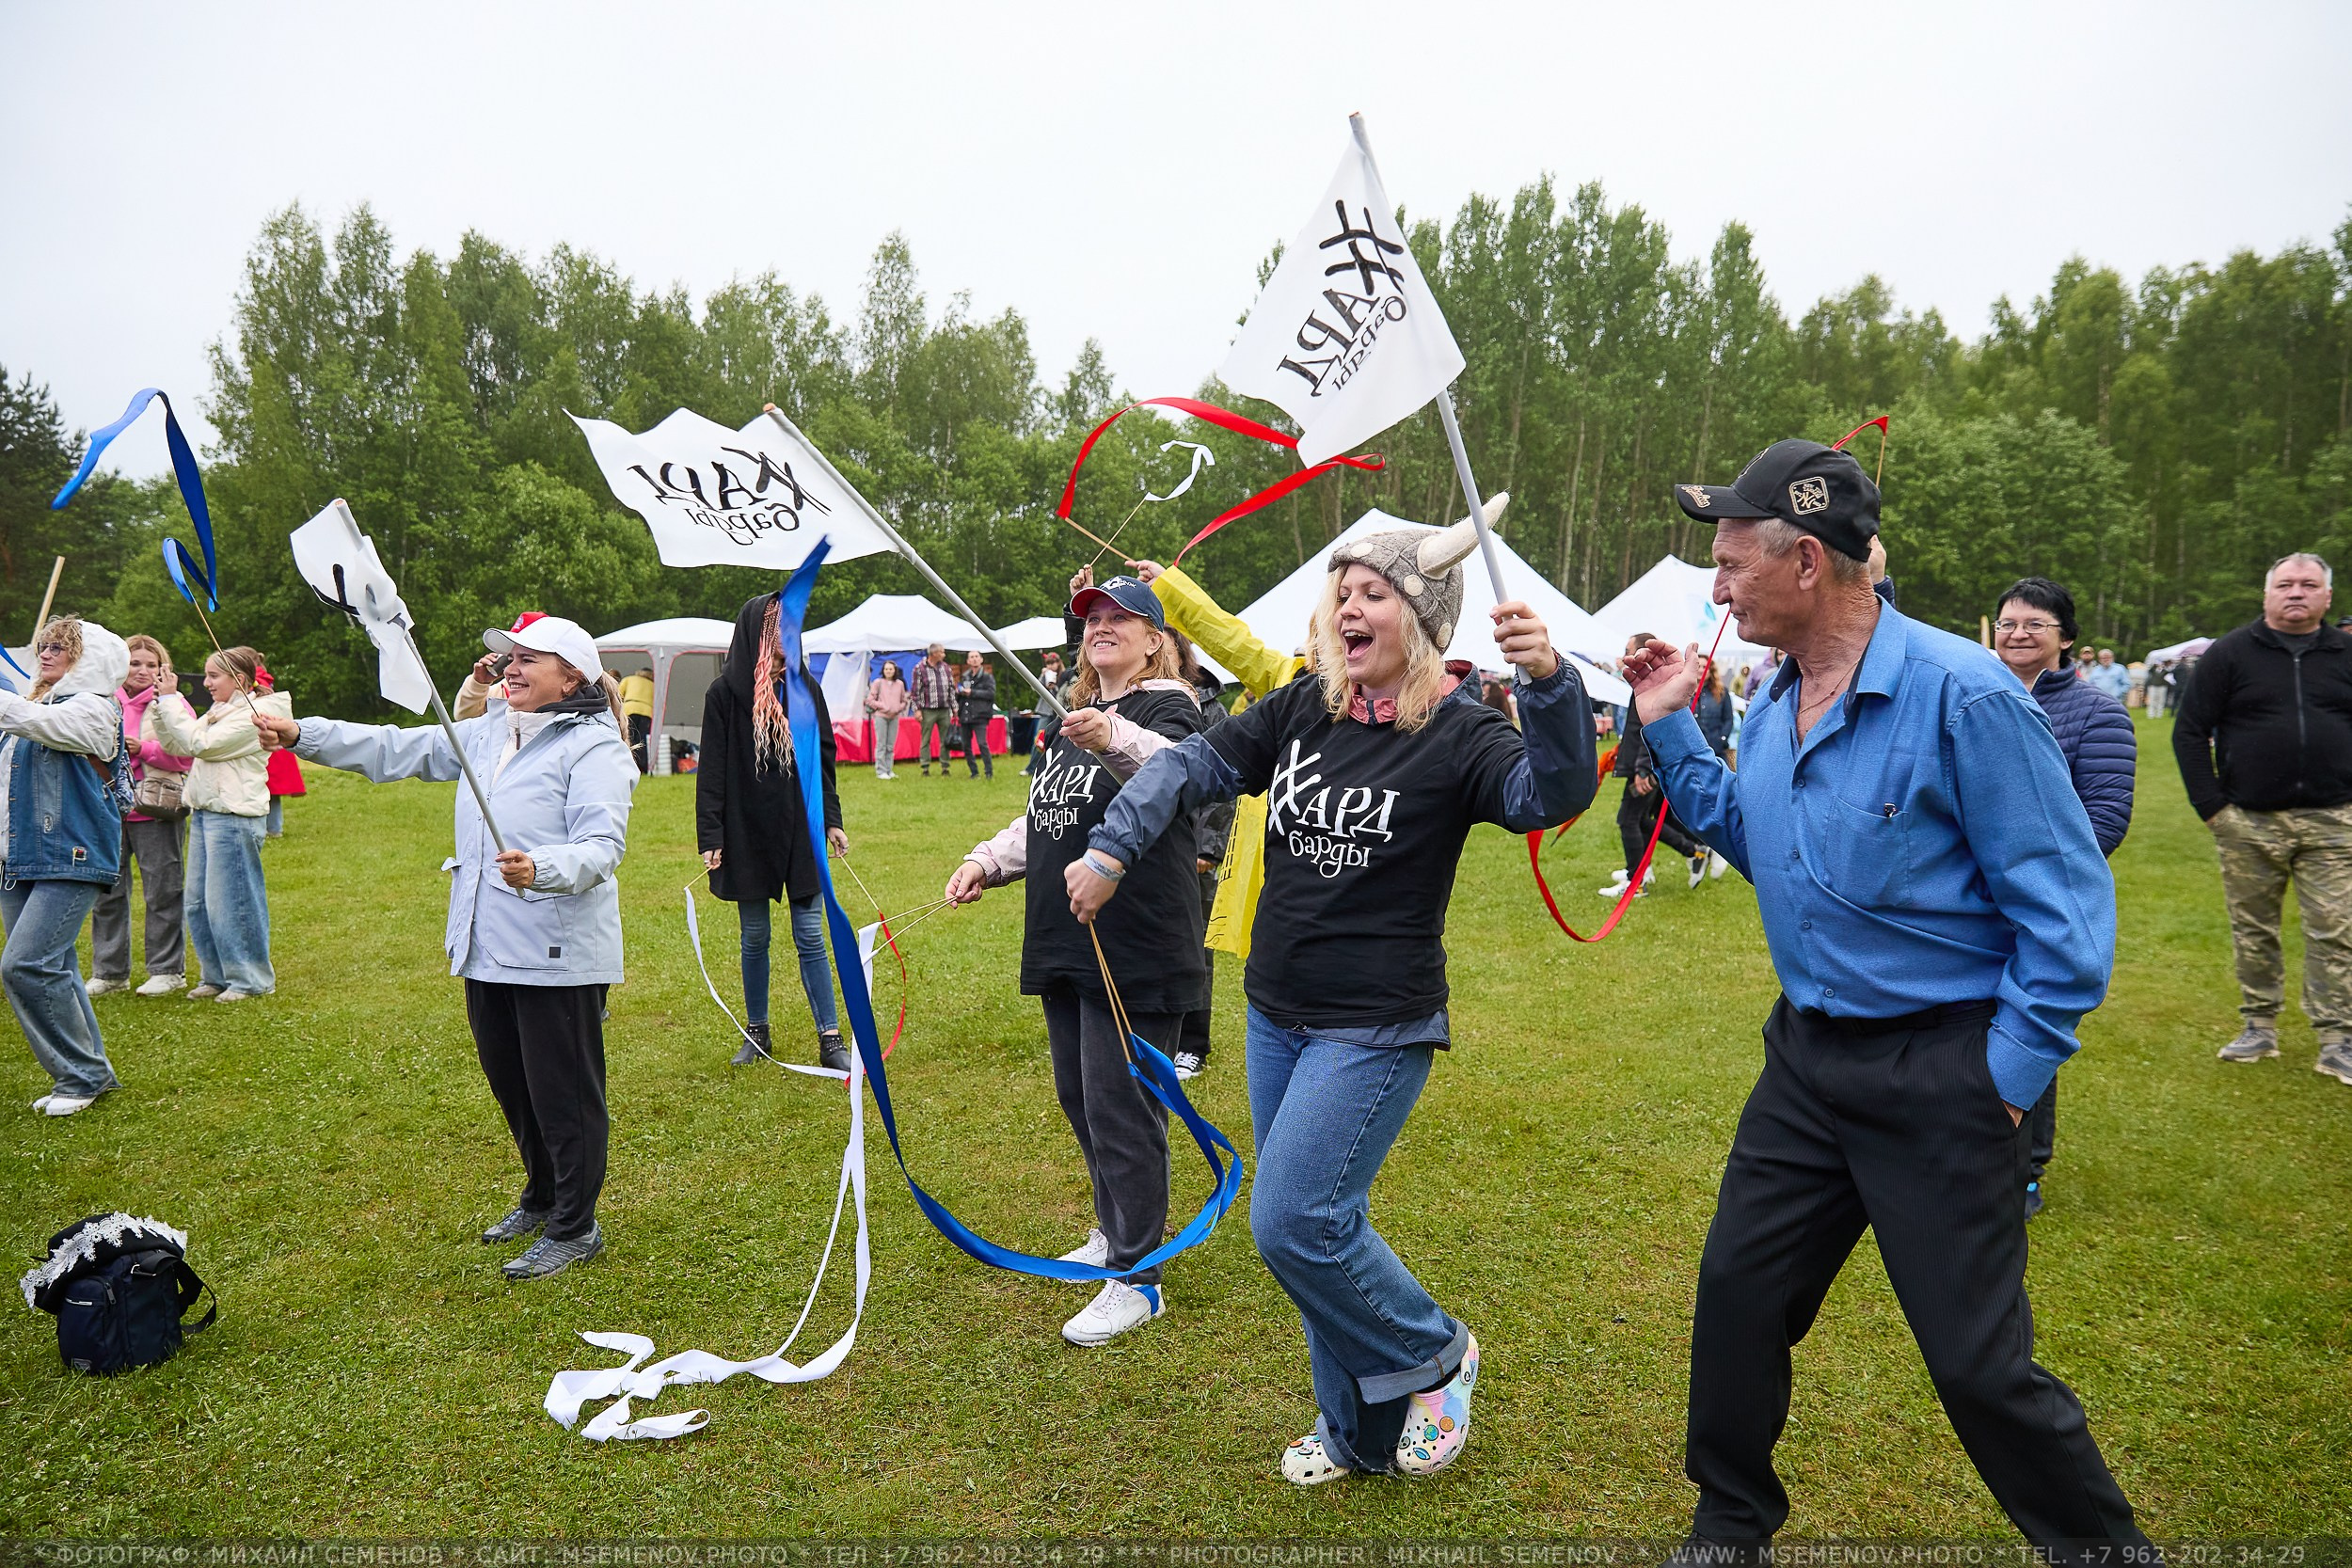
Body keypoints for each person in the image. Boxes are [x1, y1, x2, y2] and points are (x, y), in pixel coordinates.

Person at [1624, 437, 2146, 1557]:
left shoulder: (1965, 696)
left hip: (1942, 1071)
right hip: (1805, 1062)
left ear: (1806, 560)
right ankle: (1730, 1520)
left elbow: (2066, 914)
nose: (1714, 588)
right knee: (1737, 1296)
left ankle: (2107, 1551)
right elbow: (1763, 839)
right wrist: (1669, 721)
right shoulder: (1776, 696)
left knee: (1976, 1363)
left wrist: (2002, 1081)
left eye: (1727, 563)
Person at [1070, 521, 1595, 1485]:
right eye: (1340, 590)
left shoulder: (1460, 728)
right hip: (1277, 1008)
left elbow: (1547, 796)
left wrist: (1553, 685)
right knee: (1319, 1236)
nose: (1349, 607)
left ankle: (1439, 1350)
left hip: (1377, 1021)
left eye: (1373, 592)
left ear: (1422, 616)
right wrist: (1112, 843)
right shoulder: (1304, 708)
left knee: (1295, 1220)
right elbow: (1189, 765)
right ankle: (1355, 1434)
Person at [260, 613, 635, 1278]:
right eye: (509, 658)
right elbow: (394, 750)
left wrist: (542, 868)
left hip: (556, 952)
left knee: (564, 1094)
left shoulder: (596, 747)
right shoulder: (488, 731)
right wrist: (300, 733)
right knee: (513, 1085)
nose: (512, 668)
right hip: (485, 943)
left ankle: (576, 1226)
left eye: (529, 659)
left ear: (571, 675)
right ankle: (543, 1195)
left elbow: (601, 847)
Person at [946, 573, 1209, 1347]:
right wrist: (988, 861)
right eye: (1093, 615)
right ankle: (1116, 1226)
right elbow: (1045, 815)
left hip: (1137, 934)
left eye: (1122, 616)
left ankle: (1138, 1275)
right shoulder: (1073, 716)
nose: (1102, 624)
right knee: (1082, 1095)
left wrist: (1115, 737)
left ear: (1157, 638)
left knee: (1124, 1105)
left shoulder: (1170, 707)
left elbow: (1183, 771)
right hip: (1066, 930)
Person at [2173, 551, 2352, 1085]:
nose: (2296, 592)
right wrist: (2212, 809)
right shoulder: (2229, 655)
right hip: (2247, 822)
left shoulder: (2346, 654)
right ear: (2267, 594)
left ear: (2326, 596)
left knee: (2337, 931)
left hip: (2333, 821)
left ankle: (2338, 1038)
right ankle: (2259, 1026)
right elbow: (2188, 732)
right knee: (2254, 930)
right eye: (2285, 584)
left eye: (2308, 584)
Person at [1994, 577, 2137, 1215]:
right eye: (2007, 623)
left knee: (2030, 1023)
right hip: (1970, 900)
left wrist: (2026, 874)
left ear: (2067, 638)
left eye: (2034, 624)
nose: (2018, 633)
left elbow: (2104, 816)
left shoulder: (2096, 712)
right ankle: (1969, 1145)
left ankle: (2025, 1169)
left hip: (2044, 903)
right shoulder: (1975, 696)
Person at [698, 593, 851, 1073]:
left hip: (800, 828)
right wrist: (712, 835)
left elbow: (823, 762)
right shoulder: (724, 695)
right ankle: (757, 1033)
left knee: (811, 933)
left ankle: (830, 1037)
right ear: (757, 633)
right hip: (745, 830)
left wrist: (831, 818)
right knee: (754, 935)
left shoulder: (807, 690)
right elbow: (713, 772)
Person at [5, 617, 129, 1116]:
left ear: (90, 657)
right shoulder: (31, 707)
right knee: (54, 967)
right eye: (44, 645)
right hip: (19, 858)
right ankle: (90, 1072)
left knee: (26, 965)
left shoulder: (96, 711)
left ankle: (79, 1077)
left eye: (61, 646)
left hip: (71, 853)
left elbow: (47, 727)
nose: (47, 653)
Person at [153, 646, 292, 1002]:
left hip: (234, 816)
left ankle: (250, 979)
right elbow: (177, 744)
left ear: (240, 680)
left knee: (233, 901)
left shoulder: (254, 713)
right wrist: (160, 705)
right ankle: (216, 975)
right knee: (199, 902)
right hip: (205, 811)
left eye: (214, 676)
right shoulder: (220, 709)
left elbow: (203, 745)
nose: (207, 683)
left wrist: (171, 701)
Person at [89, 634, 192, 997]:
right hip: (106, 810)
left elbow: (187, 754)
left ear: (163, 668)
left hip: (156, 809)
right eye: (135, 663)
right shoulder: (101, 701)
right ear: (120, 665)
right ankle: (109, 971)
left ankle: (167, 969)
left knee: (162, 891)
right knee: (106, 892)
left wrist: (145, 748)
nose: (143, 671)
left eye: (152, 664)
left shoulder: (172, 703)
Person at [1603, 631, 1708, 897]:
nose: (1624, 654)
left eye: (1628, 649)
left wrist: (1642, 769)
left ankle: (1638, 879)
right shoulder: (1643, 684)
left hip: (1646, 768)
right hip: (1647, 766)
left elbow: (1646, 729)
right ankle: (1688, 852)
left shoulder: (1650, 686)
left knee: (1629, 820)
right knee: (1641, 820)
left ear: (1640, 653)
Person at [1170, 633, 1233, 1081]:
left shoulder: (1208, 706)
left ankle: (1192, 1044)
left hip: (1193, 849)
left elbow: (1225, 778)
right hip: (1147, 847)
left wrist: (1208, 847)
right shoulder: (1137, 701)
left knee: (1193, 947)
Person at [253, 659, 304, 837]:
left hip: (267, 744)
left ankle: (270, 828)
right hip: (278, 746)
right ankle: (274, 827)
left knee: (264, 789)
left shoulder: (254, 682)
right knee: (273, 792)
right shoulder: (265, 681)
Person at [911, 642, 955, 776]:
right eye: (942, 652)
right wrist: (917, 710)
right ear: (934, 654)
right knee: (926, 739)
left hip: (944, 709)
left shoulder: (946, 668)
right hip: (927, 709)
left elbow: (951, 689)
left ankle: (945, 766)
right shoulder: (920, 668)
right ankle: (925, 767)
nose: (944, 654)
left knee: (945, 739)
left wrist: (954, 708)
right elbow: (915, 692)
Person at [957, 650, 997, 779]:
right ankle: (974, 772)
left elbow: (991, 694)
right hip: (966, 715)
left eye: (976, 657)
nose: (974, 659)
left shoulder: (987, 677)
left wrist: (972, 692)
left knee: (982, 743)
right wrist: (959, 694)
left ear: (981, 659)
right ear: (968, 661)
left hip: (980, 715)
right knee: (966, 745)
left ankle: (988, 772)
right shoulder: (965, 676)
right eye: (971, 657)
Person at [865, 659, 909, 780]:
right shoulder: (878, 683)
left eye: (891, 669)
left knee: (890, 745)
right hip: (881, 717)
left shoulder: (899, 684)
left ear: (895, 671)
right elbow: (869, 700)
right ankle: (880, 771)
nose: (888, 671)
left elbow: (904, 700)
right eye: (886, 669)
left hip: (894, 717)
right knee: (881, 744)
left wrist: (898, 708)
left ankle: (889, 769)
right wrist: (883, 706)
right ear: (883, 671)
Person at [619, 666, 656, 772]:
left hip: (629, 709)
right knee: (642, 740)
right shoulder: (654, 685)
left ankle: (627, 764)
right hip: (647, 712)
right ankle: (642, 768)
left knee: (628, 738)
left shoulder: (628, 679)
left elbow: (618, 694)